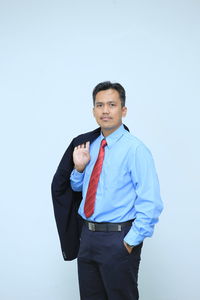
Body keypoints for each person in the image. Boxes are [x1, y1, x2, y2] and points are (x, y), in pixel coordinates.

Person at [67, 81, 163, 300]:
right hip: (88, 238)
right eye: (100, 105)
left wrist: (130, 241)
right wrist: (79, 169)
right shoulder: (88, 146)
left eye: (112, 104)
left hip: (118, 239)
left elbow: (151, 201)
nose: (105, 110)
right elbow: (77, 189)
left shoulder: (136, 149)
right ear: (93, 111)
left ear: (123, 110)